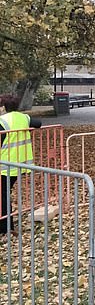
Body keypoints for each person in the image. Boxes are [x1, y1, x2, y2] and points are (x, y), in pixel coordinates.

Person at [0, 95, 41, 234]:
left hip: (5, 166)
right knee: (4, 194)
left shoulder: (2, 121)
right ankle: (6, 225)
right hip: (21, 164)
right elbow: (39, 123)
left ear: (4, 107)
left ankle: (6, 227)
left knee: (3, 196)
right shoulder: (24, 118)